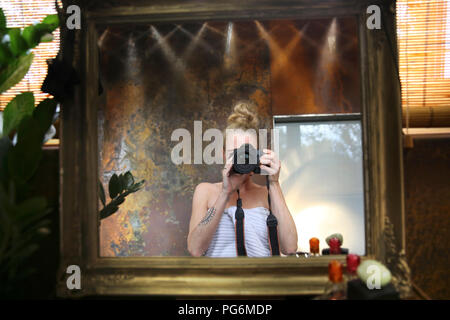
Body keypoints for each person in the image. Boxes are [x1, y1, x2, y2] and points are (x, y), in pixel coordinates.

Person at [187, 101, 298, 257]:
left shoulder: (266, 194)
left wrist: (274, 183)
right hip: (217, 280)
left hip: (260, 278)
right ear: (223, 154)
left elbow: (290, 248)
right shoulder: (205, 191)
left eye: (247, 153)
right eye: (235, 152)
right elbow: (195, 249)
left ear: (258, 155)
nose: (242, 159)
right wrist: (225, 193)